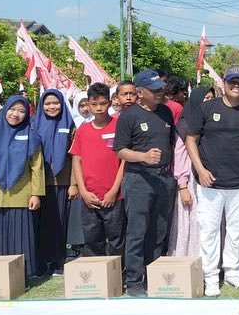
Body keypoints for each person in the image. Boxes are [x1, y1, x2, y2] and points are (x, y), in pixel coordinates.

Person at [185, 65, 239, 296]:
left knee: (236, 229)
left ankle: (232, 271)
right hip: (210, 182)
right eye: (232, 81)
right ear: (224, 84)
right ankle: (210, 276)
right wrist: (200, 170)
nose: (236, 85)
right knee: (209, 230)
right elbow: (191, 140)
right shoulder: (207, 108)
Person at [114, 70, 177, 297]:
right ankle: (134, 282)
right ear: (140, 93)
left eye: (161, 88)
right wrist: (143, 156)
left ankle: (155, 277)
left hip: (163, 180)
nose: (160, 92)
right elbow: (119, 150)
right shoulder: (128, 116)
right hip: (139, 178)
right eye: (154, 90)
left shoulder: (166, 112)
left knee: (159, 232)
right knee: (137, 232)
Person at [0, 95, 45, 279]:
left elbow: (37, 168)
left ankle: (22, 275)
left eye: (21, 111)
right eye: (12, 109)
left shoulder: (31, 137)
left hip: (21, 195)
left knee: (20, 237)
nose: (16, 114)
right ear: (5, 110)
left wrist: (36, 194)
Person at [68, 83, 126, 259]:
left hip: (115, 196)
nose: (99, 108)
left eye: (103, 103)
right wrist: (83, 191)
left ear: (110, 102)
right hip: (90, 198)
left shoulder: (120, 125)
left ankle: (118, 277)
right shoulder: (83, 131)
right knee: (93, 241)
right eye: (94, 104)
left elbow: (124, 160)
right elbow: (76, 160)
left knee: (117, 241)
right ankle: (98, 279)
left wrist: (114, 191)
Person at [33, 90, 79, 276]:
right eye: (47, 103)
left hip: (62, 182)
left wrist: (74, 183)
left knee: (60, 223)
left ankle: (59, 261)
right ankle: (43, 262)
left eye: (56, 103)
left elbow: (76, 156)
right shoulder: (34, 125)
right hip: (39, 184)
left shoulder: (70, 125)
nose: (52, 107)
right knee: (42, 224)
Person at [169, 85, 213, 257]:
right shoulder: (185, 124)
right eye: (206, 98)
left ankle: (210, 261)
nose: (209, 102)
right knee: (192, 219)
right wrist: (183, 185)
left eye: (212, 98)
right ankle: (191, 258)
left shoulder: (212, 121)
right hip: (190, 178)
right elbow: (179, 156)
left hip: (210, 177)